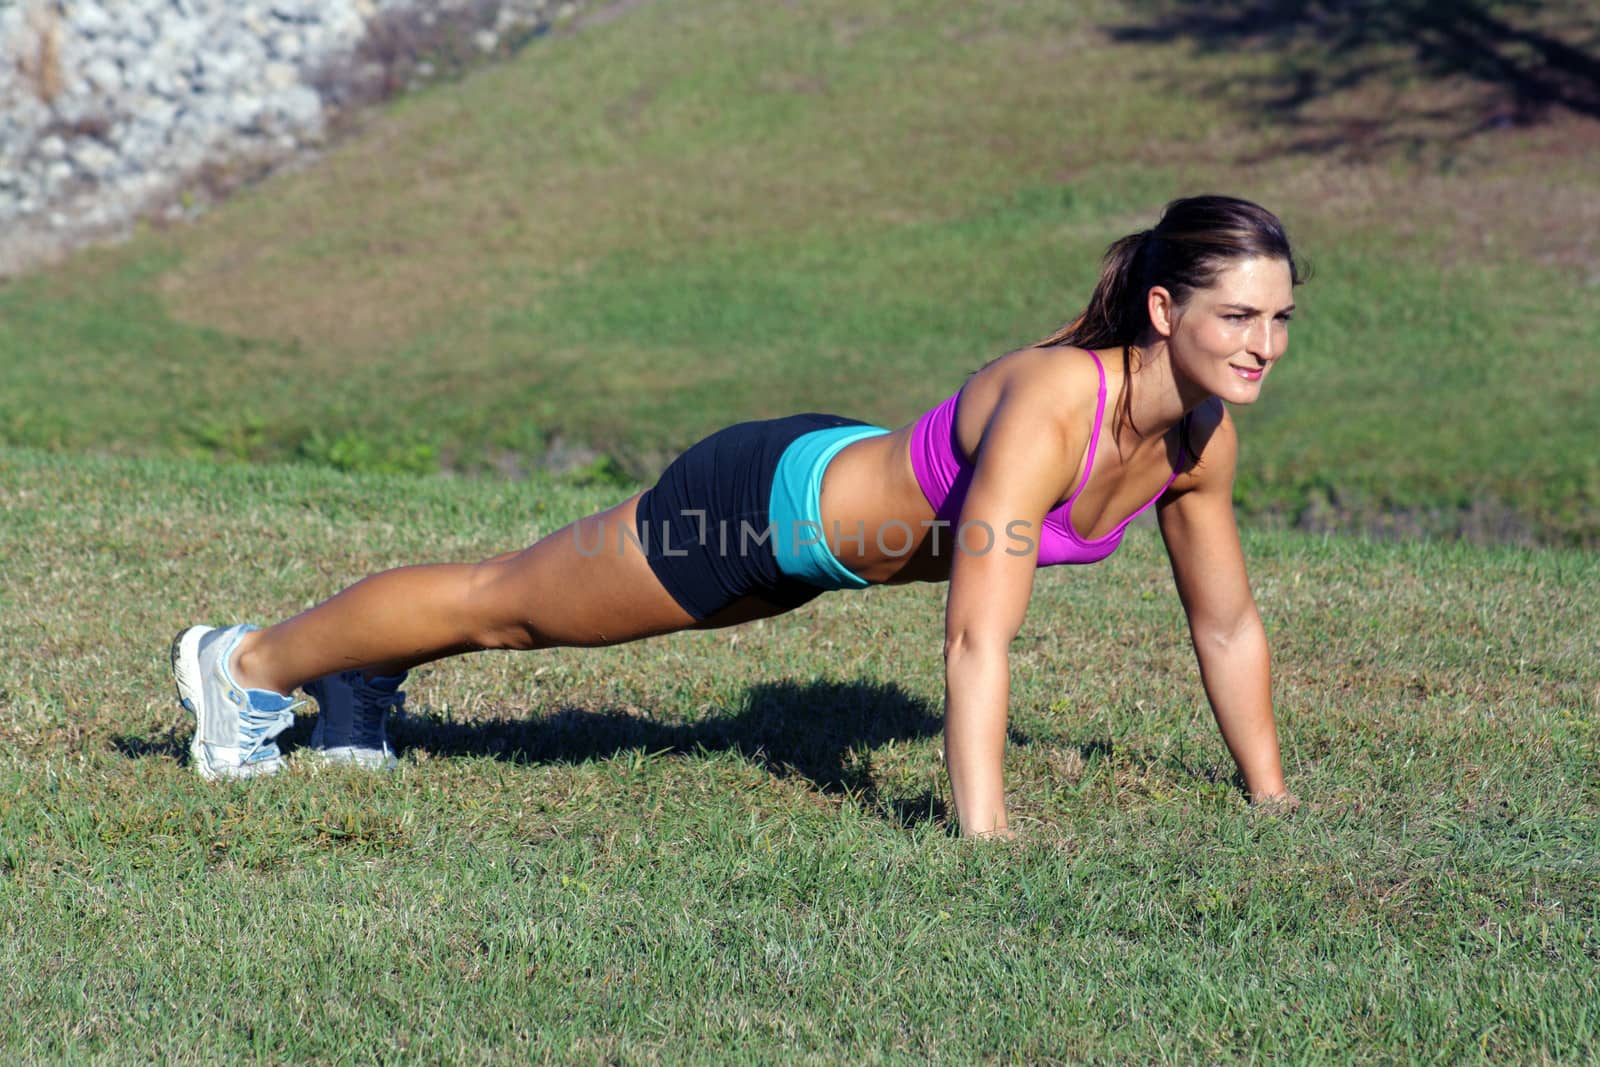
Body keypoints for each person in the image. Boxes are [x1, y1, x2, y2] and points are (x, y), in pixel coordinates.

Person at [171, 193, 1304, 837]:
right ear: (1163, 307)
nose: (1262, 343)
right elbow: (975, 632)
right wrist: (985, 834)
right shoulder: (1058, 403)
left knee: (510, 607)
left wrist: (1270, 797)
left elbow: (1227, 624)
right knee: (507, 608)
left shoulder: (1200, 440)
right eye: (1238, 315)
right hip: (755, 509)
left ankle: (359, 683)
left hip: (817, 549)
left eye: (1281, 319)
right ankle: (247, 663)